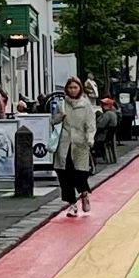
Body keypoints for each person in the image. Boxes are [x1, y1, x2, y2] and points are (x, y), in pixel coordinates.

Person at [52, 77, 98, 217]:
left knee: (80, 174)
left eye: (75, 87)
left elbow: (90, 125)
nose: (72, 90)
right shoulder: (62, 104)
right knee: (64, 174)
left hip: (80, 144)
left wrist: (90, 139)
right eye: (70, 87)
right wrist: (60, 116)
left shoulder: (86, 105)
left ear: (80, 89)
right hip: (64, 144)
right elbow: (53, 121)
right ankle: (72, 204)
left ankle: (84, 193)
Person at [95, 96, 119, 167]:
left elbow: (100, 125)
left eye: (103, 104)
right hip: (108, 134)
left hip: (103, 135)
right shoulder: (113, 113)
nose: (101, 106)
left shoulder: (108, 114)